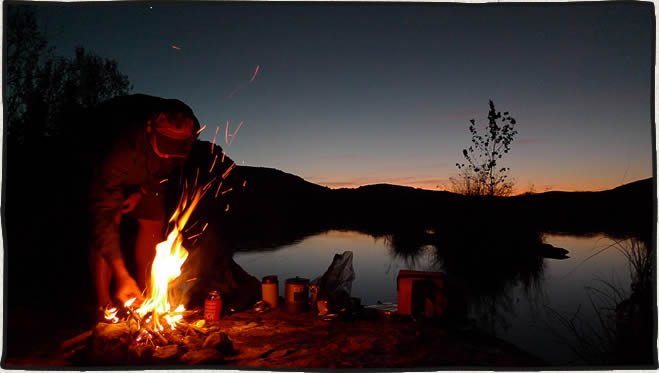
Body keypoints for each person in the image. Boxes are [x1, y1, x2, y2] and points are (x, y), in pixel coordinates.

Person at [88, 94, 200, 311]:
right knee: (109, 223)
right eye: (166, 145)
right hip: (105, 167)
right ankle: (105, 306)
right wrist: (122, 274)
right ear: (150, 129)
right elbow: (103, 216)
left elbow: (166, 170)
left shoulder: (185, 136)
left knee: (153, 225)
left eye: (176, 148)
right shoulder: (122, 148)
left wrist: (141, 191)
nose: (170, 155)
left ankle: (149, 297)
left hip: (148, 176)